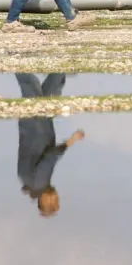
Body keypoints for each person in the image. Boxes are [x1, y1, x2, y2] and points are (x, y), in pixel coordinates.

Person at [15, 72, 84, 217]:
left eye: (54, 201)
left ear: (44, 200)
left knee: (29, 82)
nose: (57, 196)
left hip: (36, 124)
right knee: (51, 92)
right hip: (34, 124)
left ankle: (13, 55)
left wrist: (71, 141)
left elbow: (50, 158)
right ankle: (60, 66)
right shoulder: (30, 182)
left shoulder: (39, 183)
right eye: (57, 200)